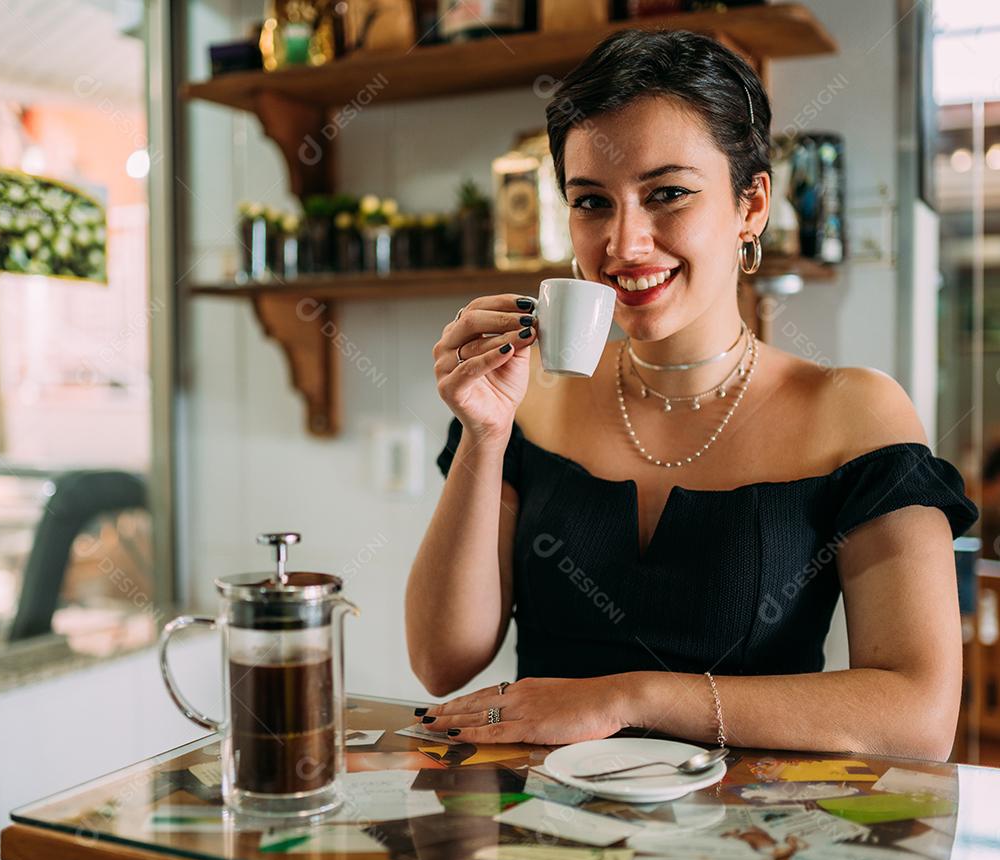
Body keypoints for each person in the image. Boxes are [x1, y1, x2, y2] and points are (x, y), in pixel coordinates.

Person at [404, 29, 977, 760]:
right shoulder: (531, 403)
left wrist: (621, 696)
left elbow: (918, 716)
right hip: (542, 835)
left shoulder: (853, 412)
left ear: (751, 206)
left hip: (751, 850)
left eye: (667, 193)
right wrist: (483, 435)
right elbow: (441, 658)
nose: (625, 244)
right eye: (592, 203)